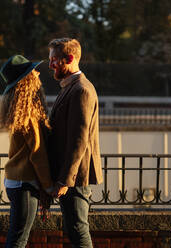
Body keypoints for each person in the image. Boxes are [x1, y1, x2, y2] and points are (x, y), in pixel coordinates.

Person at [47, 38, 103, 247]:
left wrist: (64, 180)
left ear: (69, 59)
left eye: (54, 60)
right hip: (71, 176)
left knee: (79, 231)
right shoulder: (71, 87)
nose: (50, 64)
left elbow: (79, 140)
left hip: (75, 178)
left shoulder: (81, 90)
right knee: (74, 230)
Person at [0, 55, 53, 248]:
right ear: (26, 81)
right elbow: (38, 154)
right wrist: (49, 186)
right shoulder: (28, 115)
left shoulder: (20, 110)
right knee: (18, 239)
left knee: (17, 237)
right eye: (32, 72)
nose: (37, 73)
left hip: (17, 182)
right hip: (24, 184)